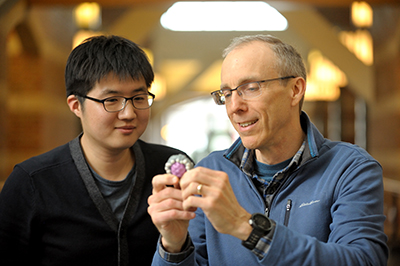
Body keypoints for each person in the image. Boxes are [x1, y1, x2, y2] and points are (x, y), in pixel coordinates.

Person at [148, 34, 388, 265]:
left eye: (250, 88)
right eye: (227, 94)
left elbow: (363, 260)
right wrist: (173, 245)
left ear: (295, 90)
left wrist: (246, 228)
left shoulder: (350, 168)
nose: (234, 107)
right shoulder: (210, 171)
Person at [0, 35, 191, 266]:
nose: (129, 113)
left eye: (139, 98)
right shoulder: (32, 181)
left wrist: (175, 245)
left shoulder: (171, 168)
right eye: (111, 100)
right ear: (75, 106)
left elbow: (204, 253)